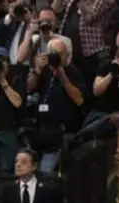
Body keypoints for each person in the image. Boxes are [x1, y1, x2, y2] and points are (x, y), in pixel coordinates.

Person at [27, 36, 86, 174]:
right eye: (53, 54)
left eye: (60, 54)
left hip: (61, 133)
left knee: (45, 173)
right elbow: (29, 89)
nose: (56, 58)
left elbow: (80, 100)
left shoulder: (74, 72)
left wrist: (63, 78)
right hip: (41, 131)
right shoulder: (44, 71)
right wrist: (36, 70)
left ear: (67, 55)